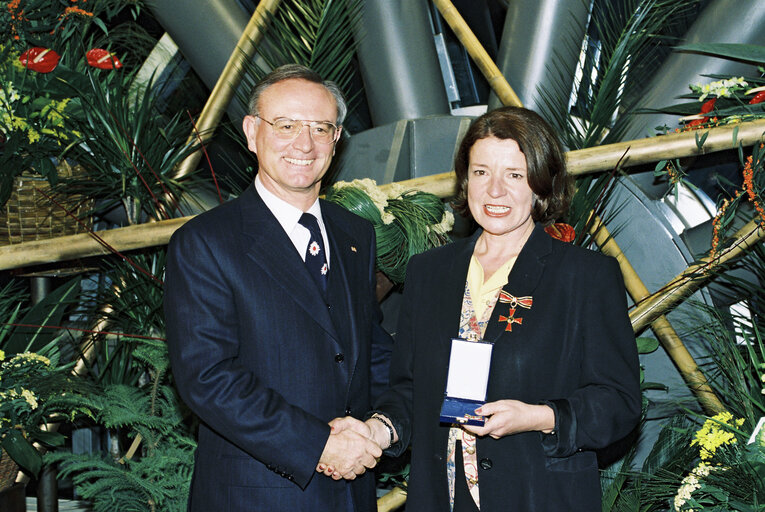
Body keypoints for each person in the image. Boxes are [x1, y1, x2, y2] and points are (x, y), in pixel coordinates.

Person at [327, 106, 641, 511]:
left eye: (514, 174)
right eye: (481, 172)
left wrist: (539, 416)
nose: (495, 190)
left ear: (541, 185)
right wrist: (375, 430)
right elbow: (408, 389)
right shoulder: (428, 272)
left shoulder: (584, 276)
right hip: (442, 497)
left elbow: (619, 402)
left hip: (537, 497)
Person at [164, 64, 392, 512]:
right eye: (286, 126)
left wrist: (384, 425)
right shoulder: (205, 242)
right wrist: (320, 445)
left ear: (337, 138)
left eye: (320, 128)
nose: (303, 144)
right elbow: (208, 377)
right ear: (252, 132)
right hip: (257, 495)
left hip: (351, 493)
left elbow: (370, 352)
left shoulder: (355, 235)